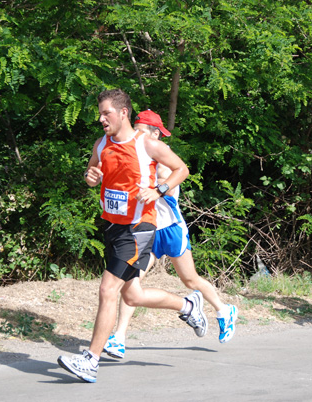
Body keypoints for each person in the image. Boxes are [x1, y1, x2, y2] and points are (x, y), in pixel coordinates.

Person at [57, 90, 207, 383]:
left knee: (107, 290)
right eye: (100, 114)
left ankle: (91, 360)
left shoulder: (146, 144)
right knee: (132, 294)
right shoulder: (102, 144)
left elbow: (182, 169)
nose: (101, 119)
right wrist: (91, 176)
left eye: (106, 113)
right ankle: (188, 306)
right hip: (112, 227)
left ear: (123, 113)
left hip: (138, 228)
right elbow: (92, 170)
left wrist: (159, 189)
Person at [102, 110, 238, 360]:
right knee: (130, 282)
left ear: (154, 134)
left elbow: (167, 175)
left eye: (149, 133)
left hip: (171, 229)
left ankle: (223, 310)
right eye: (141, 130)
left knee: (190, 280)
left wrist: (149, 181)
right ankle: (118, 338)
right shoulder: (133, 150)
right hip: (146, 230)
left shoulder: (157, 152)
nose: (144, 136)